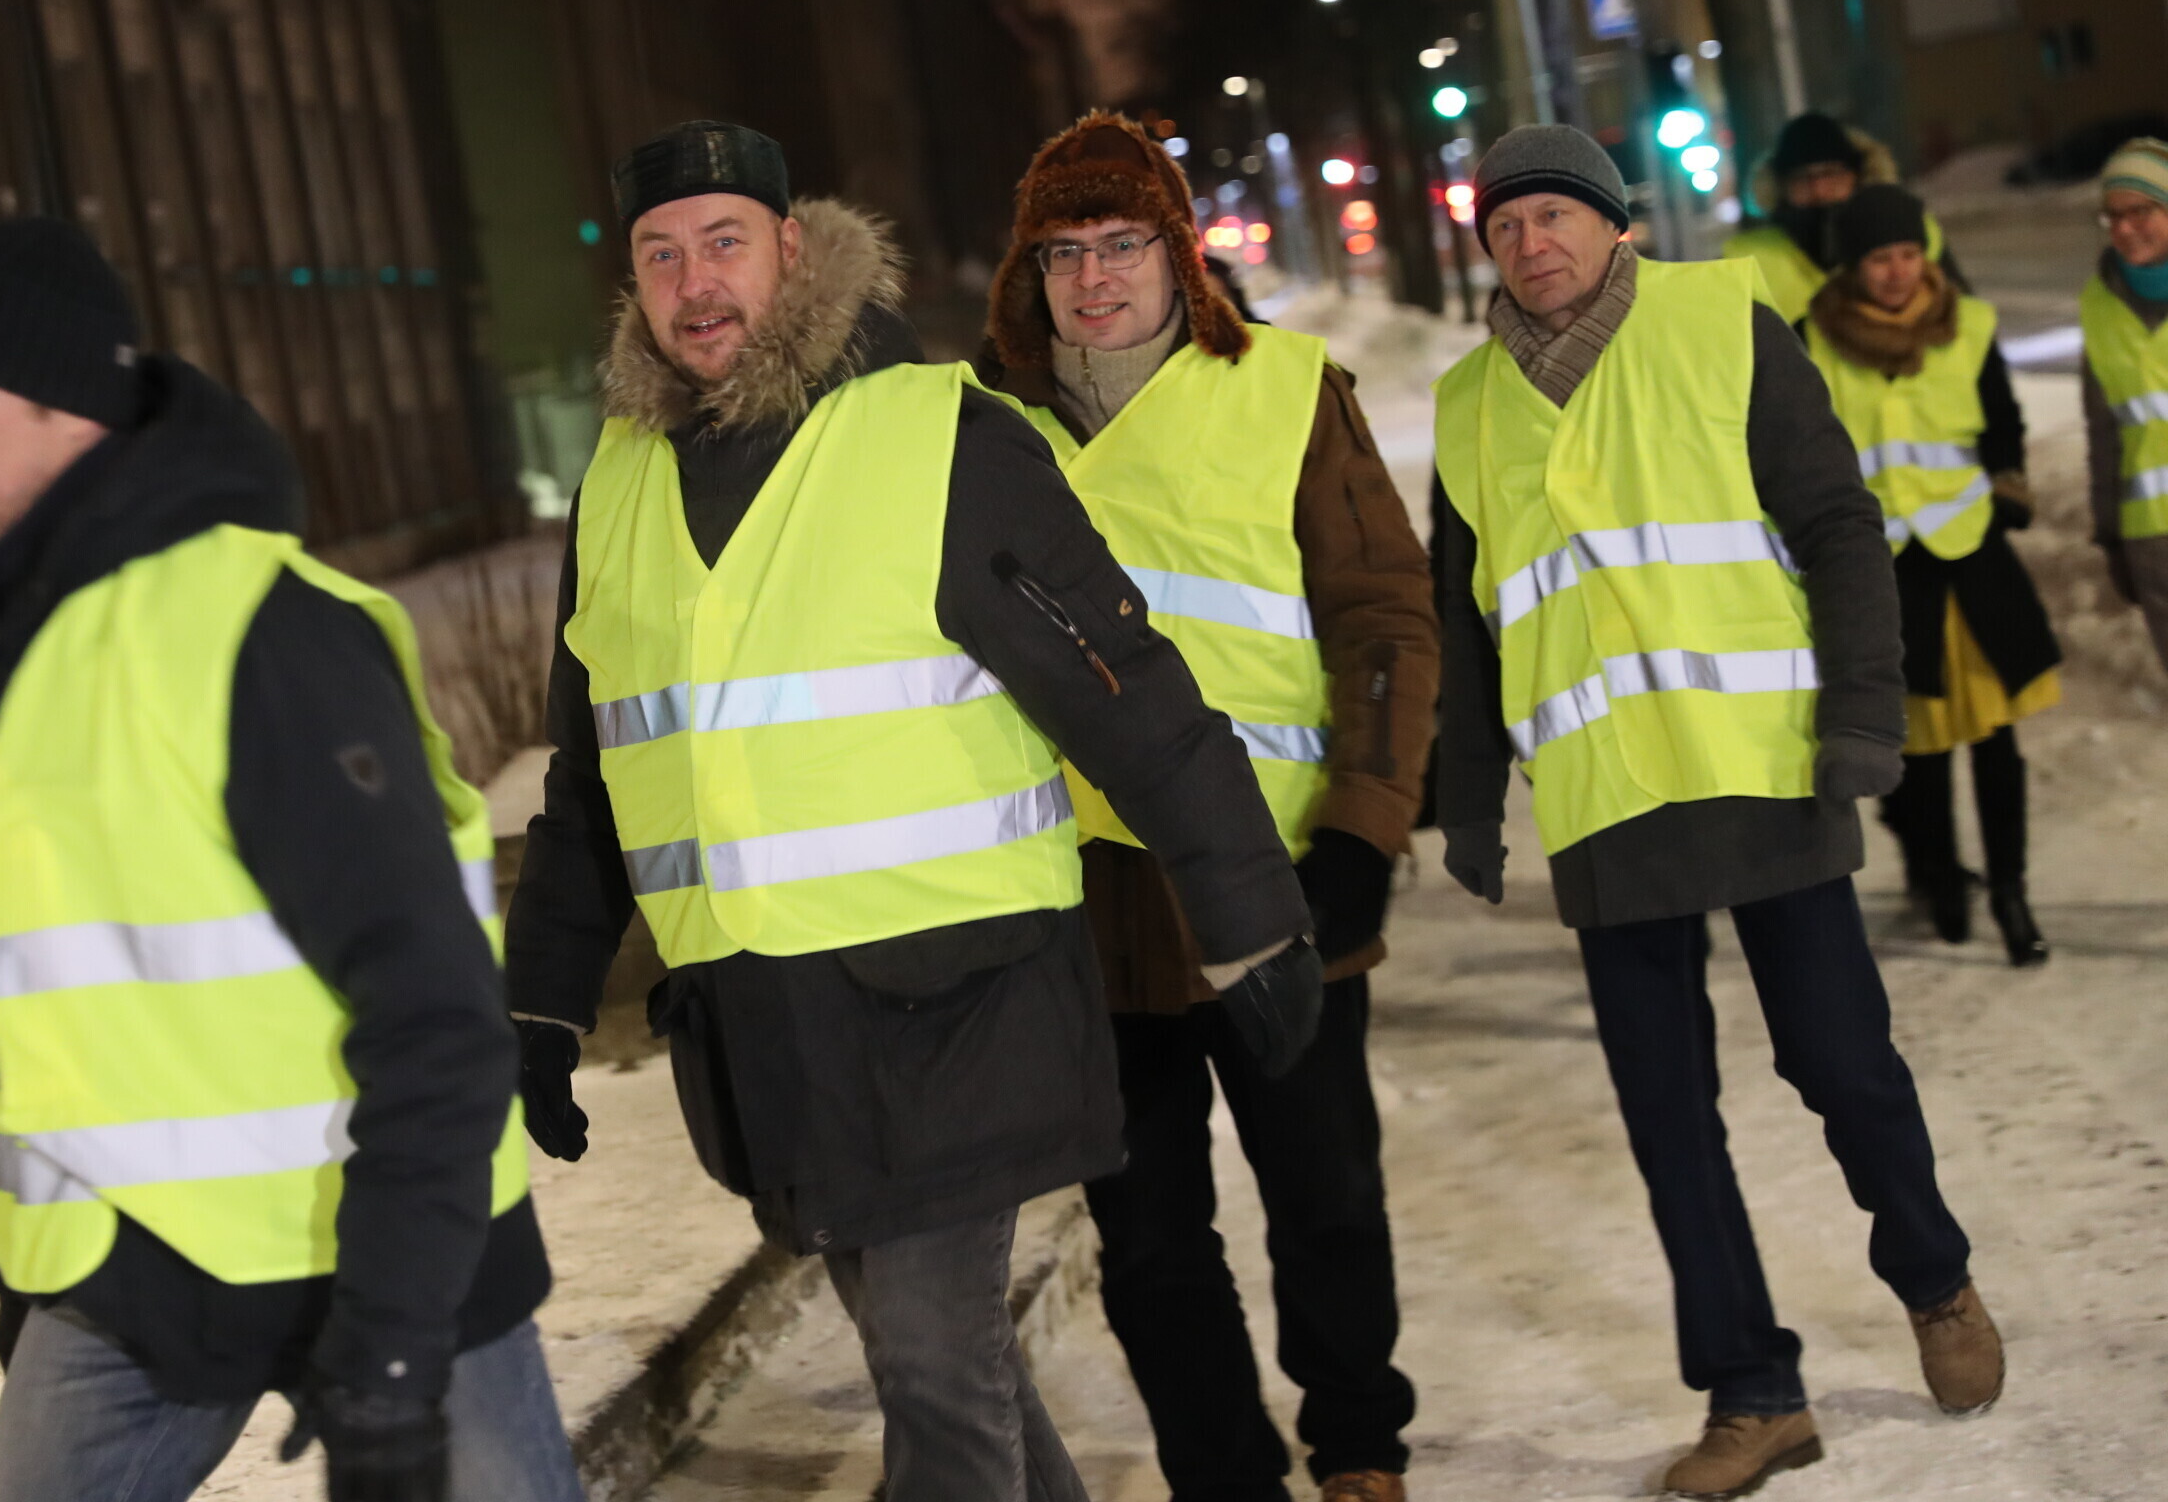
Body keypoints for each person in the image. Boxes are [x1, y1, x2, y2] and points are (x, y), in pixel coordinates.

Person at [506, 121, 1323, 1502]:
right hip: (774, 1034)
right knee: (948, 1370)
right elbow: (593, 777)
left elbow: (1125, 691)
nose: (695, 283)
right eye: (661, 255)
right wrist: (545, 999)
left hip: (960, 1010)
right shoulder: (620, 488)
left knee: (939, 1387)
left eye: (724, 244)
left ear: (792, 248)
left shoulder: (943, 439)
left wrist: (1250, 919)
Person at [0, 217, 579, 1502]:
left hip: (393, 1242)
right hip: (126, 1267)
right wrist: (22, 1273)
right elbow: (35, 982)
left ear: (57, 401)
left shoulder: (261, 629)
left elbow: (433, 1008)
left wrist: (393, 1346)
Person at [1431, 129, 2001, 1499]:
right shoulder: (1465, 405)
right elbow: (1467, 619)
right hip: (1608, 798)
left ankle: (1933, 1275)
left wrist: (1864, 710)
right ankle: (1752, 1393)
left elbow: (1836, 523)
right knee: (1668, 1116)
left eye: (1556, 216)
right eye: (1506, 227)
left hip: (1763, 763)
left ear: (1613, 224)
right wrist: (1468, 801)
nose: (1531, 244)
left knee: (1841, 1061)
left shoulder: (1719, 323)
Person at [972, 112, 1437, 1502]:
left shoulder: (1286, 392)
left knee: (1326, 1191)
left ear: (1180, 255)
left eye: (1122, 243)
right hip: (1084, 896)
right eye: (1062, 252)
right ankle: (1227, 1480)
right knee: (1154, 1237)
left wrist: (1364, 822)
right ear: (1029, 272)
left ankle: (1357, 1444)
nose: (1093, 277)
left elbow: (1384, 616)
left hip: (1282, 868)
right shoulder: (973, 429)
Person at [1800, 183, 2057, 966]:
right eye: (1880, 257)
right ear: (1853, 265)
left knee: (1996, 741)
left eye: (1909, 253)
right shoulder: (1812, 339)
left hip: (1971, 555)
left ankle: (2011, 890)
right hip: (1883, 569)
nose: (1898, 271)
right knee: (1921, 748)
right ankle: (1941, 878)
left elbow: (2001, 419)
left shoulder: (1967, 324)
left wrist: (2007, 484)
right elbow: (1802, 450)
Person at [1724, 111, 1958, 321]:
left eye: (1831, 174)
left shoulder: (1914, 231)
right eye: (1803, 178)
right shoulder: (1747, 258)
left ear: (1859, 175)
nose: (1819, 190)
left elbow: (1958, 310)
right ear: (1781, 186)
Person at [2080, 137, 2168, 673]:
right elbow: (2103, 434)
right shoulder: (2098, 307)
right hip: (2154, 543)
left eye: (2142, 211)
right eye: (2114, 216)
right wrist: (2110, 535)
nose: (2126, 228)